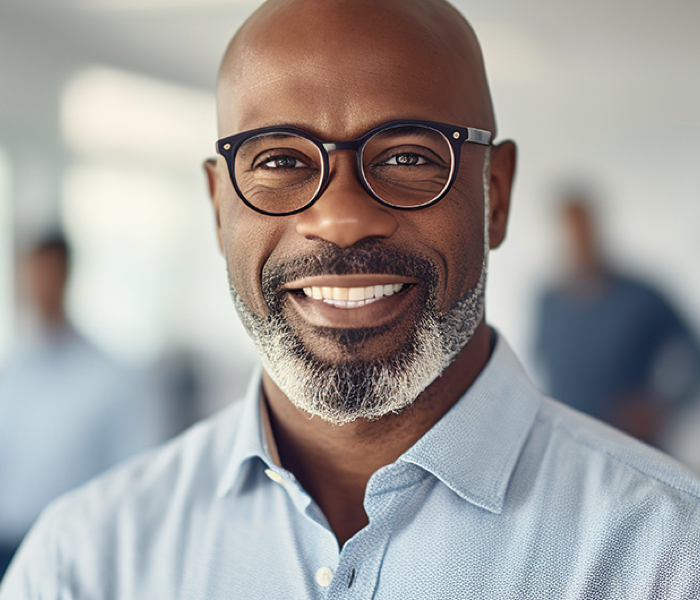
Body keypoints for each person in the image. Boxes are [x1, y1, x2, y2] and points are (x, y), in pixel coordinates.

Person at [2, 1, 700, 597]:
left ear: (494, 194)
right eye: (279, 161)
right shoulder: (82, 565)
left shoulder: (669, 554)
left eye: (406, 156)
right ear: (219, 208)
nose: (340, 218)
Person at [0, 234, 174, 579]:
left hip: (74, 550)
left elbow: (139, 479)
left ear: (66, 275)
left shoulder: (112, 379)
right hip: (6, 542)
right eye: (33, 274)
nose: (40, 286)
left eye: (49, 273)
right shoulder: (10, 372)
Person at [535, 195, 700, 446]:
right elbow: (542, 366)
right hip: (571, 450)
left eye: (582, 230)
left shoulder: (641, 297)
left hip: (635, 451)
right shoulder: (548, 303)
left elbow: (692, 353)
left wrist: (664, 407)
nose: (577, 240)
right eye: (569, 232)